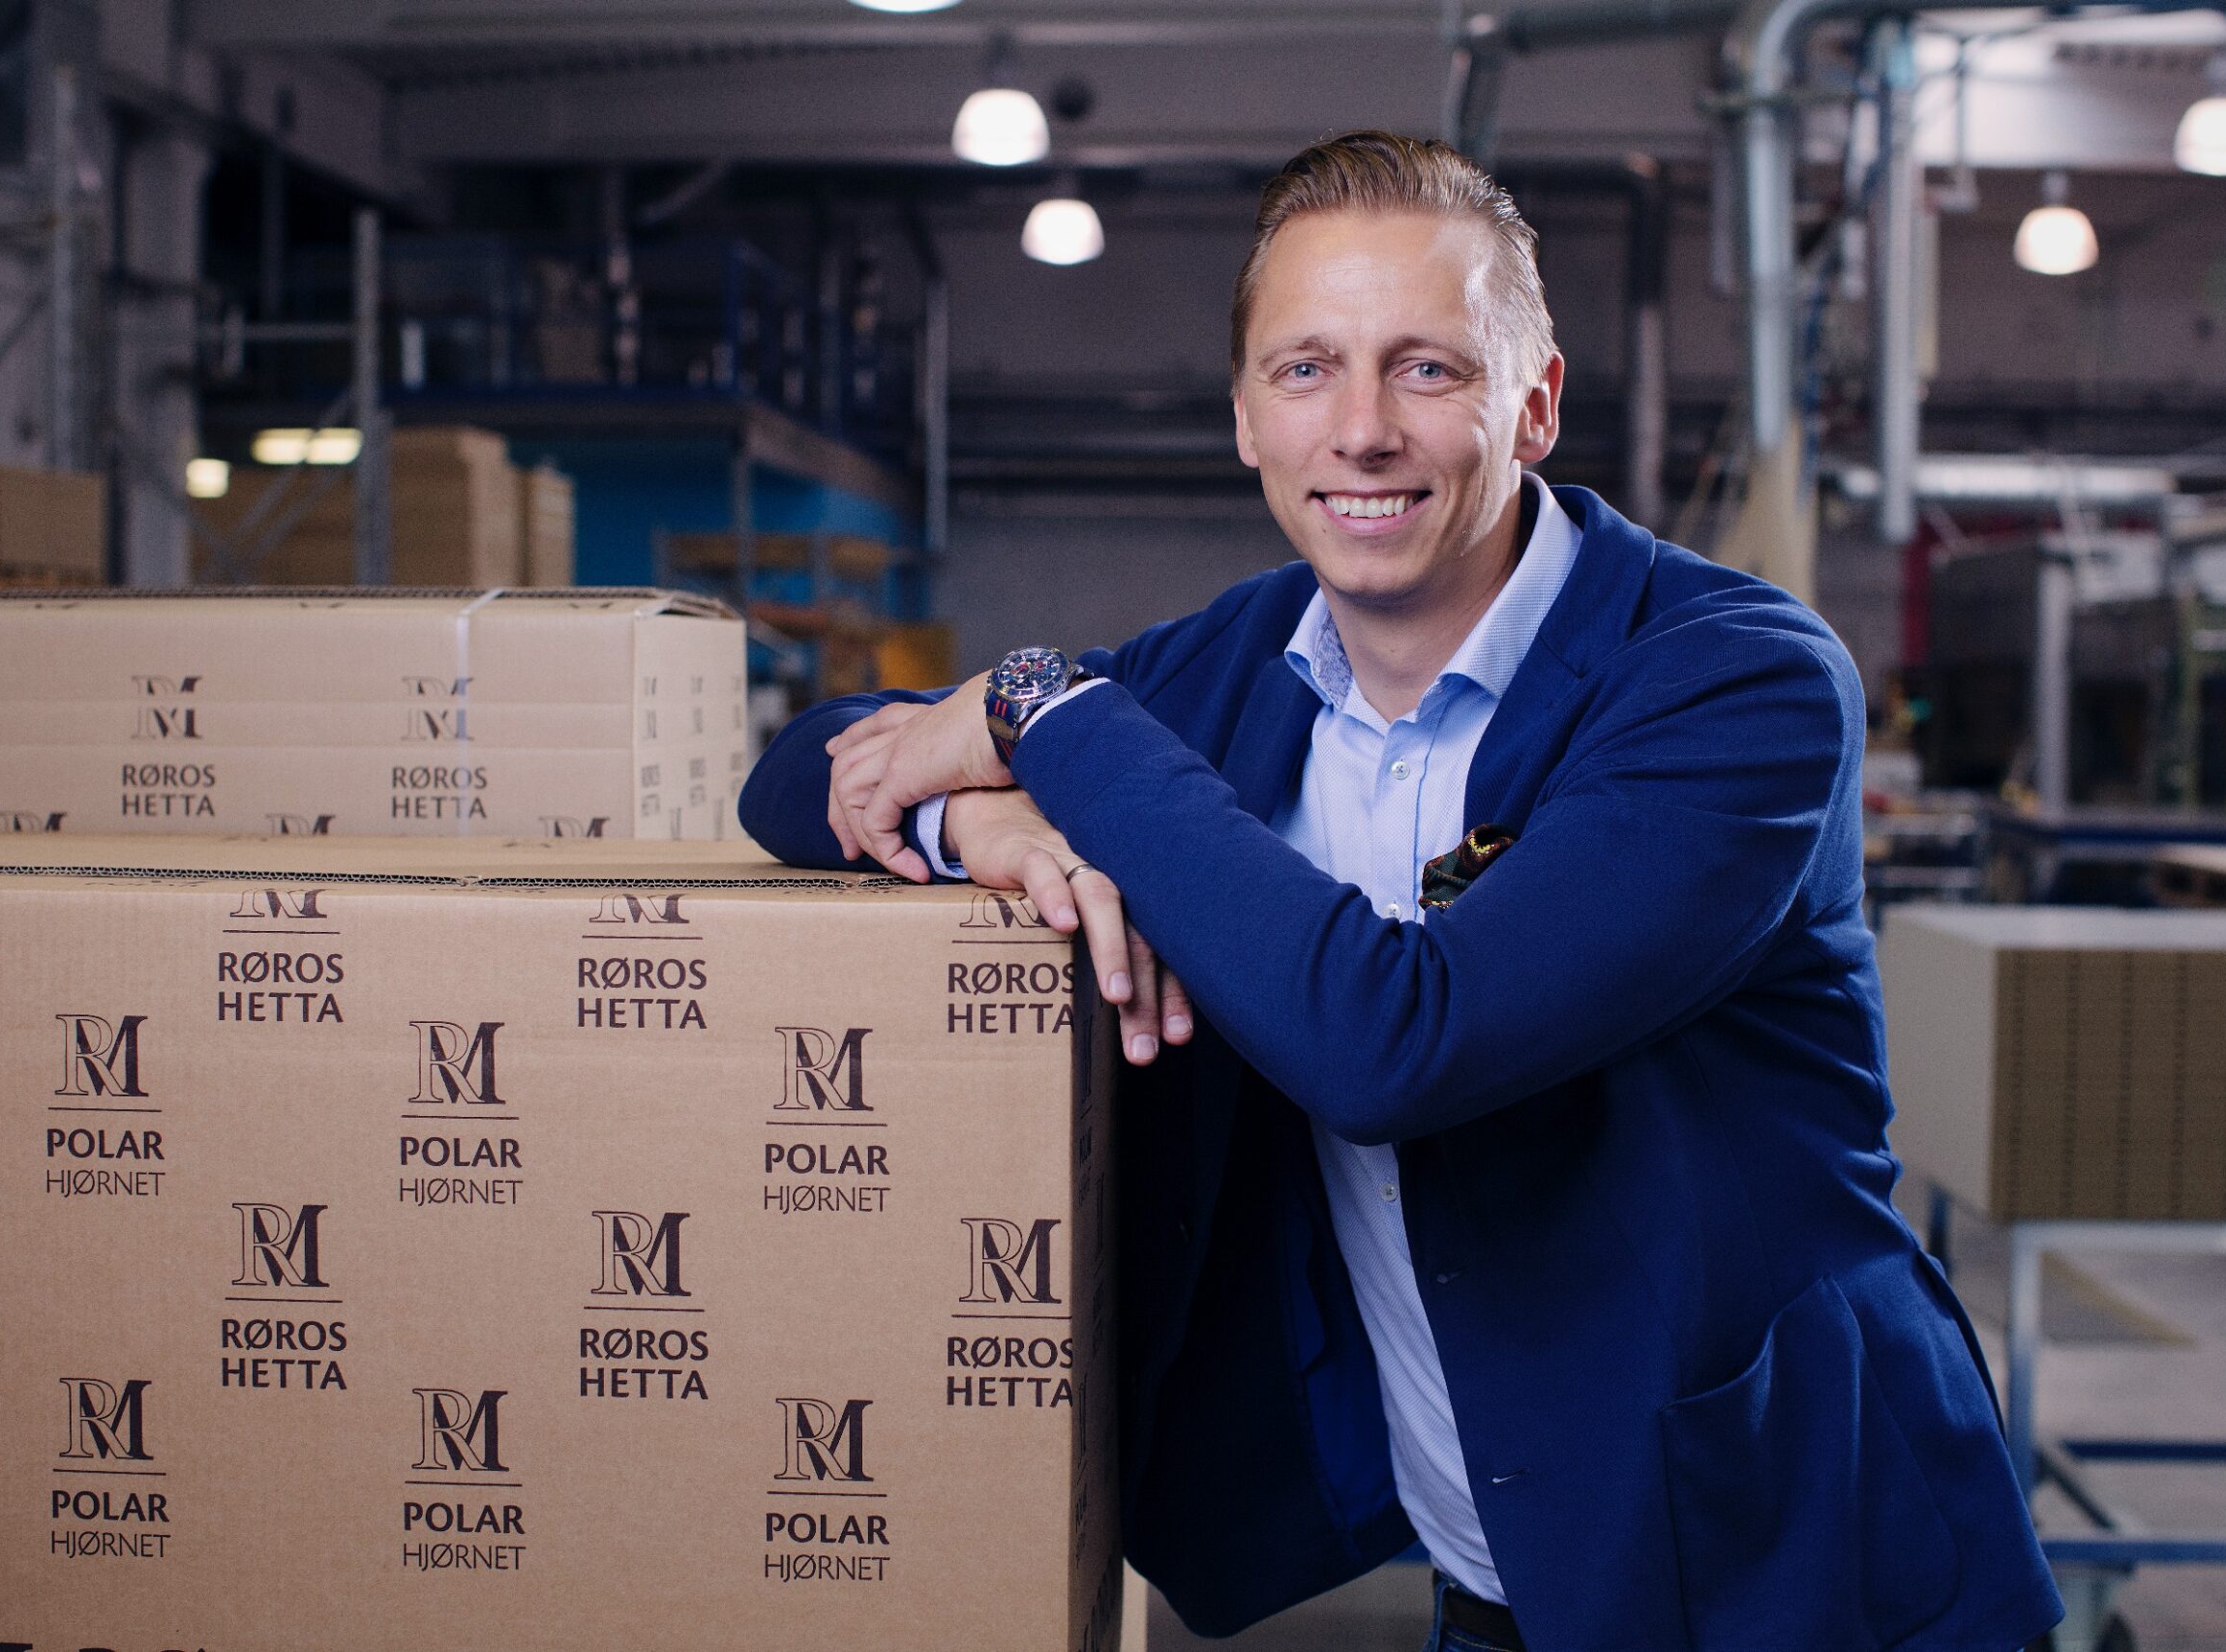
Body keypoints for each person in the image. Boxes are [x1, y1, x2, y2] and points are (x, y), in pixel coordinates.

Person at [738, 131, 2061, 1652]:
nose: (1361, 431)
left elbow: (1397, 1043)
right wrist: (989, 821)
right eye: (1306, 370)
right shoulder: (1235, 672)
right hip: (1501, 1577)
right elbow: (796, 776)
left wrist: (1038, 717)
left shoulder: (1733, 683)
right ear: (1248, 418)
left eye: (1426, 369)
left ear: (1534, 404)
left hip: (1809, 1575)